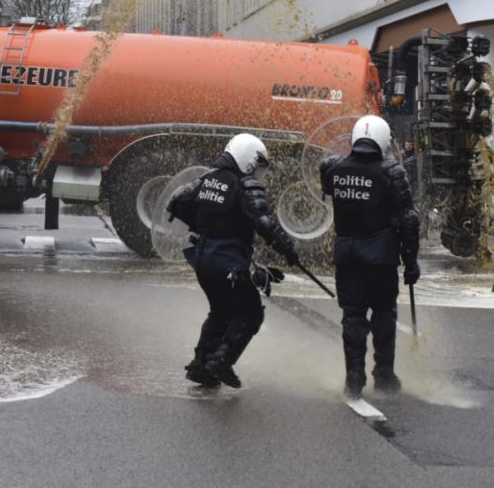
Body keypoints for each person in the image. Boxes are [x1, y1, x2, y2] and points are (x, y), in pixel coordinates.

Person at [166, 134, 300, 389]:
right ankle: (221, 362)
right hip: (227, 264)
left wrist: (205, 223)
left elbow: (178, 203)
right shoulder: (245, 185)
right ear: (249, 159)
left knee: (220, 311)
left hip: (202, 261)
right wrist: (287, 249)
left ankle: (200, 367)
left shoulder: (206, 180)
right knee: (249, 312)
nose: (258, 172)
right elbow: (263, 222)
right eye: (257, 165)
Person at [319, 116, 421, 399]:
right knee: (384, 314)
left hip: (346, 253)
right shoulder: (391, 172)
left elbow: (327, 186)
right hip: (380, 256)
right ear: (383, 140)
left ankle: (353, 377)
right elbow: (408, 219)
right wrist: (411, 262)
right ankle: (384, 375)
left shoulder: (332, 168)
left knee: (352, 315)